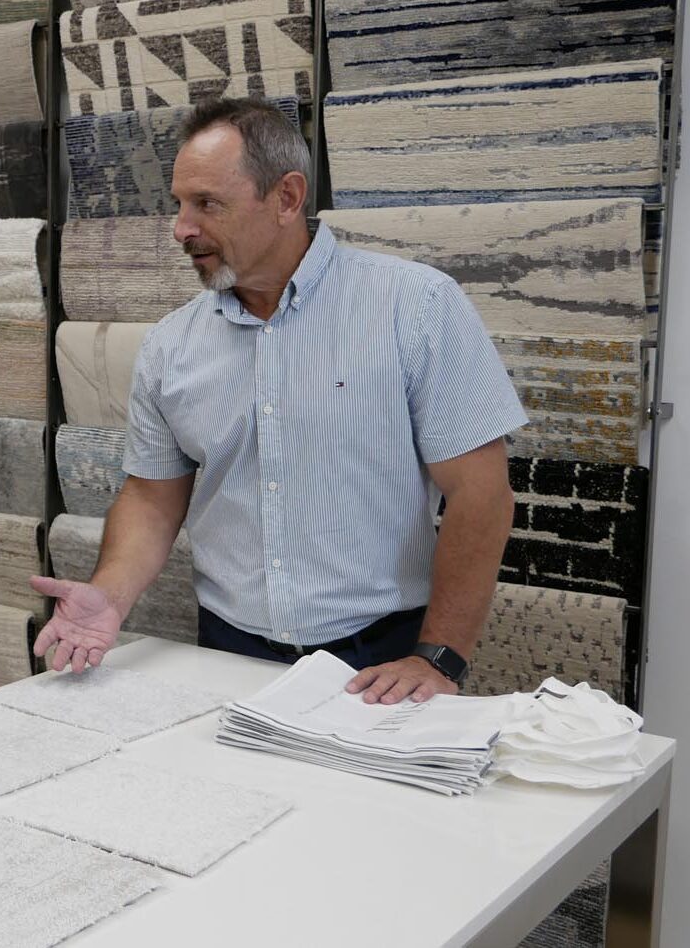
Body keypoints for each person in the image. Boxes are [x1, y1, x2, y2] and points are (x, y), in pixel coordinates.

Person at [32, 97, 527, 706]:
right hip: (225, 648)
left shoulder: (416, 307)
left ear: (287, 198)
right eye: (179, 204)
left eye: (207, 203)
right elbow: (152, 498)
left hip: (383, 655)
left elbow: (481, 493)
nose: (181, 228)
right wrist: (109, 595)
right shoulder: (169, 345)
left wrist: (439, 656)